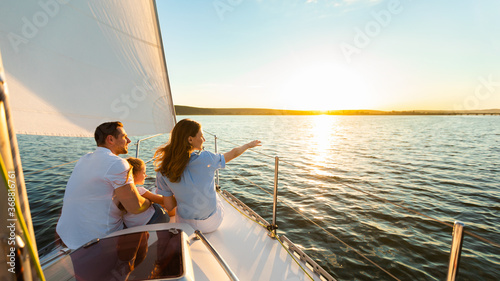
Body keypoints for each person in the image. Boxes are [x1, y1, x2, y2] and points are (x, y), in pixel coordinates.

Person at [56, 122, 165, 249]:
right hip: (100, 238)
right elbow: (135, 207)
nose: (129, 140)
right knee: (159, 213)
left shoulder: (84, 159)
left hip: (67, 235)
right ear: (110, 139)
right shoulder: (117, 164)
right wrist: (151, 201)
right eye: (124, 137)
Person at [154, 119, 261, 233]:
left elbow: (169, 207)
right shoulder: (206, 158)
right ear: (190, 139)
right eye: (201, 136)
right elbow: (233, 153)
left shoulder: (163, 170)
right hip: (210, 224)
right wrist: (248, 145)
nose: (204, 140)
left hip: (184, 225)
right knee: (215, 192)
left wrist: (184, 195)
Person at [122, 157, 170, 228]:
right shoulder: (140, 191)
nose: (146, 175)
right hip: (155, 219)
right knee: (160, 204)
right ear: (134, 175)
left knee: (154, 202)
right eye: (144, 173)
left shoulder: (119, 193)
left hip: (132, 225)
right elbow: (163, 201)